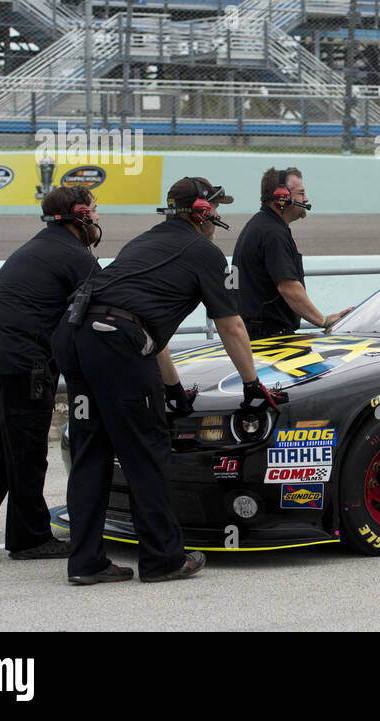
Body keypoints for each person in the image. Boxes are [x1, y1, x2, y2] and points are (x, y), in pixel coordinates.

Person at [51, 177, 287, 585]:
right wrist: (253, 386)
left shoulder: (143, 243)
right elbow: (231, 325)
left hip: (75, 335)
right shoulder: (206, 253)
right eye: (215, 207)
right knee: (147, 450)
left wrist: (173, 390)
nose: (218, 215)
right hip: (116, 341)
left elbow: (149, 331)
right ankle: (163, 559)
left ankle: (86, 562)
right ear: (199, 211)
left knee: (92, 453)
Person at [0, 186, 102, 562]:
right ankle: (29, 539)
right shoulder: (76, 256)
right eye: (94, 211)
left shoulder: (35, 247)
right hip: (20, 364)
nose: (97, 217)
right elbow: (103, 309)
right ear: (79, 216)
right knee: (27, 453)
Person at [232, 167, 351, 339]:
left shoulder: (261, 226)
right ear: (282, 197)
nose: (306, 198)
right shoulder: (273, 233)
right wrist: (323, 321)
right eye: (301, 193)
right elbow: (289, 288)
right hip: (269, 336)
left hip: (257, 333)